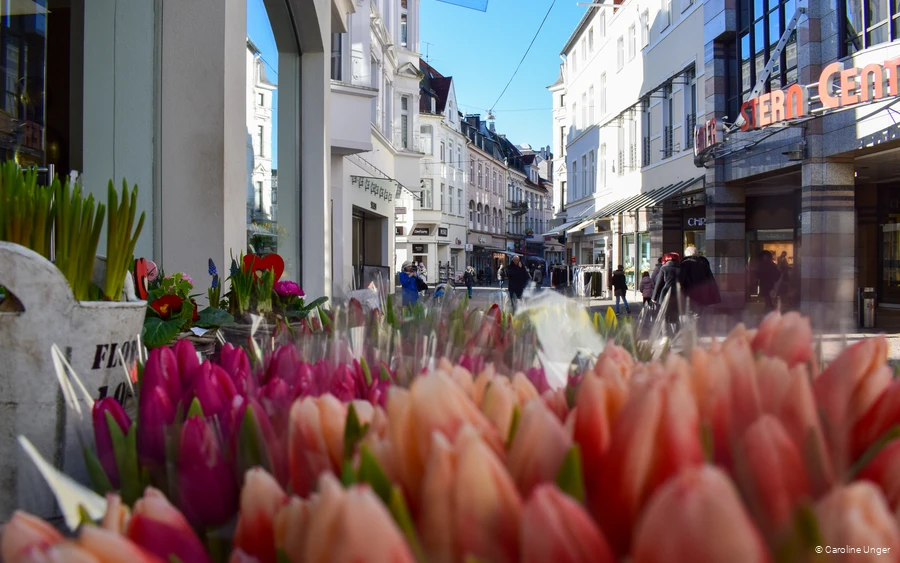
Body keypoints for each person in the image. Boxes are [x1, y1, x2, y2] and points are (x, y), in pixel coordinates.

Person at [679, 246, 721, 315]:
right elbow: (710, 279)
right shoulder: (703, 263)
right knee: (699, 313)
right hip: (703, 294)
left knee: (692, 313)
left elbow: (682, 280)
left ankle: (695, 324)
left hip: (690, 294)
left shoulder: (684, 264)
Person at [653, 253, 682, 328]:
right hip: (677, 295)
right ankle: (676, 335)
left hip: (665, 294)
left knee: (664, 316)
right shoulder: (681, 268)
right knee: (675, 316)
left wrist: (654, 297)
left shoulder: (664, 268)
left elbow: (658, 284)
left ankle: (666, 336)